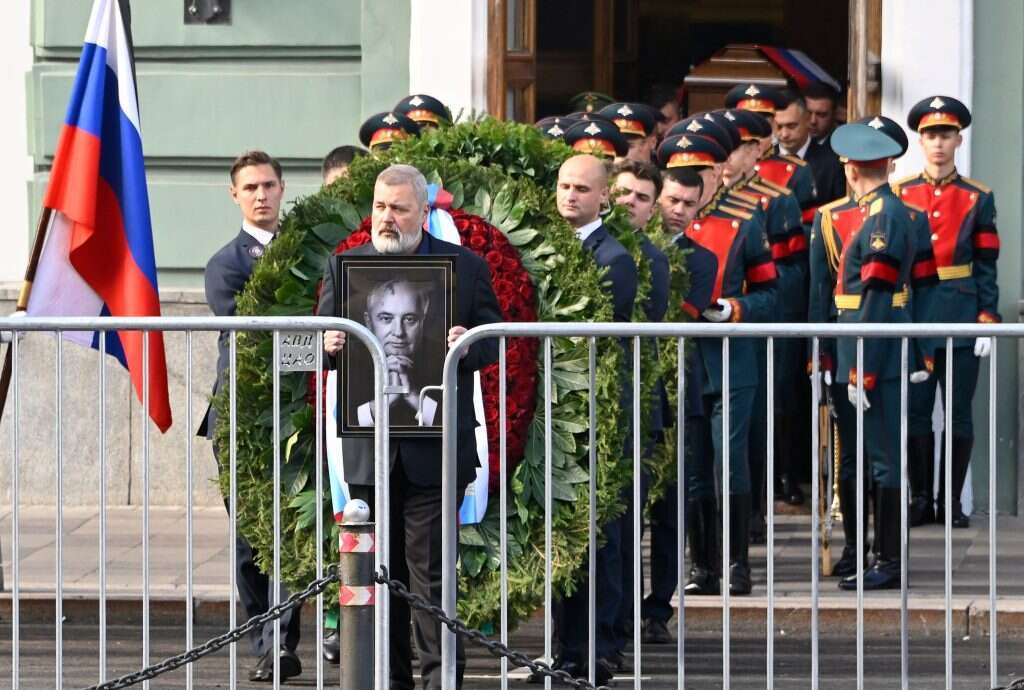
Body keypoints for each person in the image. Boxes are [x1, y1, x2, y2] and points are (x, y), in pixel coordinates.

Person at [320, 164, 502, 689]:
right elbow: (316, 346)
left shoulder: (463, 270)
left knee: (432, 579)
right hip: (368, 452)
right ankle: (391, 682)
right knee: (380, 577)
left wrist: (468, 342)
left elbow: (493, 343)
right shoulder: (344, 267)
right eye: (380, 206)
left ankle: (441, 681)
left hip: (435, 448)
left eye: (398, 208)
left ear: (423, 213)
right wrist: (327, 347)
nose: (386, 218)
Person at [656, 131, 778, 597]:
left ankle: (736, 563)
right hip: (681, 361)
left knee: (730, 461)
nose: (699, 182)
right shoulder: (648, 231)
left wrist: (735, 308)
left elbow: (772, 291)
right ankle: (702, 565)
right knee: (691, 466)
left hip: (727, 357)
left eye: (707, 171)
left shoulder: (744, 223)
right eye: (686, 175)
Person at [533, 153, 638, 686]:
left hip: (595, 413)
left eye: (581, 188)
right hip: (557, 412)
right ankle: (563, 649)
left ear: (603, 198)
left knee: (598, 537)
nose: (569, 195)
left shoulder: (612, 259)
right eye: (563, 186)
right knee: (564, 537)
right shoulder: (550, 248)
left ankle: (593, 648)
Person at [199, 150, 303, 682]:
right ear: (235, 195)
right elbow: (252, 335)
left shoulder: (309, 250)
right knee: (251, 537)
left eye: (269, 185)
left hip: (298, 414)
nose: (261, 195)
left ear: (283, 189)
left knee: (291, 530)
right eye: (251, 188)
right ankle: (262, 634)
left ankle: (281, 642)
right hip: (243, 416)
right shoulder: (227, 263)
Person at [820, 122, 930, 591]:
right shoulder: (890, 212)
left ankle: (888, 559)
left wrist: (861, 364)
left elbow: (877, 298)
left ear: (850, 168)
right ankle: (881, 556)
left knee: (883, 457)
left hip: (873, 350)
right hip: (869, 346)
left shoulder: (881, 219)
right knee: (876, 454)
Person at [895, 96, 999, 529]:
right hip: (917, 312)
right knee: (917, 410)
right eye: (930, 135)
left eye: (946, 134)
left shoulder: (978, 196)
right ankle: (920, 497)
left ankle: (950, 500)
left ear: (958, 139)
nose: (938, 143)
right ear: (920, 140)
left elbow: (987, 261)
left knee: (958, 411)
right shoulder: (900, 192)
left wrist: (987, 316)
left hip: (959, 309)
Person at [609, 159, 675, 650]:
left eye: (641, 196)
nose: (629, 201)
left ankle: (622, 622)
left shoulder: (650, 258)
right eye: (624, 192)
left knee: (626, 522)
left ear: (653, 209)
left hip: (630, 402)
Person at [355, 278, 439, 427]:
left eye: (409, 319)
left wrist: (411, 394)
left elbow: (453, 425)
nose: (399, 332)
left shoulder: (441, 358)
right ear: (368, 322)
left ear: (422, 321)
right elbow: (344, 426)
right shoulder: (351, 360)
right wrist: (383, 402)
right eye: (386, 318)